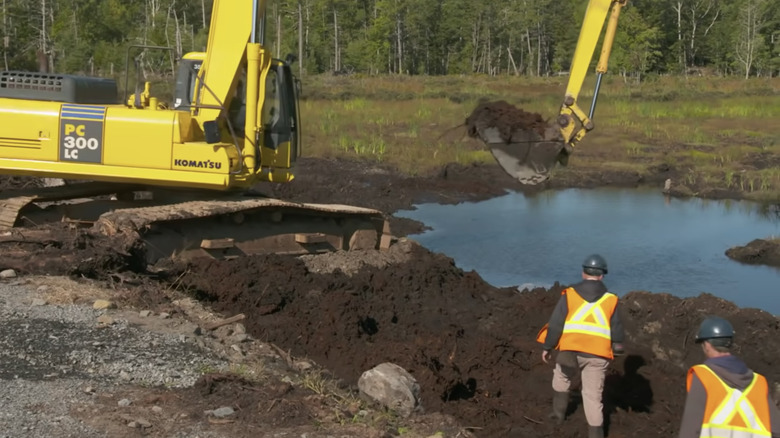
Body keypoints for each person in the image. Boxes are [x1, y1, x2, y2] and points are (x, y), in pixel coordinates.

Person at [536, 254, 625, 438]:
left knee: (561, 378)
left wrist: (548, 346)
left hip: (570, 351)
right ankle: (596, 435)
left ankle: (557, 416)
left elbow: (556, 324)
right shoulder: (611, 299)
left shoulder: (569, 294)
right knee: (592, 397)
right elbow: (616, 328)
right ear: (602, 276)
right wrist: (617, 348)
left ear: (583, 273)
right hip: (598, 354)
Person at [678, 316, 780, 438]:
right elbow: (776, 430)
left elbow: (689, 430)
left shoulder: (703, 377)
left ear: (707, 344)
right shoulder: (758, 383)